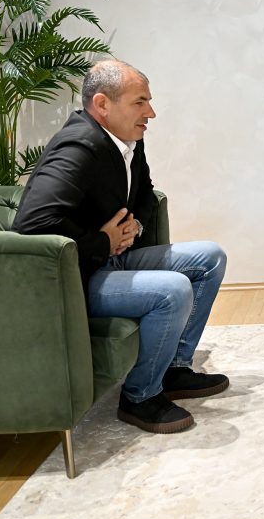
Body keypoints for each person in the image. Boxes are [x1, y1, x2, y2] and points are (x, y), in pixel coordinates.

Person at [13, 60, 228, 434]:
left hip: (112, 261)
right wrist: (104, 240)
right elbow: (31, 224)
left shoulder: (129, 141)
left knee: (210, 257)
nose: (151, 113)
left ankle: (173, 369)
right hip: (76, 278)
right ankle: (140, 397)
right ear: (102, 104)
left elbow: (145, 192)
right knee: (173, 290)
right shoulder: (78, 147)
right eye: (140, 102)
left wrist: (135, 226)